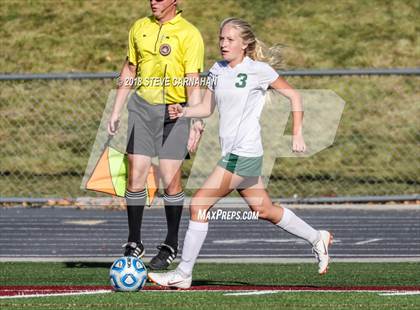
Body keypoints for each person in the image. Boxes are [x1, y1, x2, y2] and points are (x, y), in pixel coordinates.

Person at [148, 18, 332, 288]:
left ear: (245, 44)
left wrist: (297, 133)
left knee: (198, 204)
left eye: (230, 39)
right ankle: (317, 237)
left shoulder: (259, 70)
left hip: (243, 154)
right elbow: (207, 108)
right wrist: (185, 111)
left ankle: (183, 273)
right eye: (221, 38)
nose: (223, 44)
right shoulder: (217, 69)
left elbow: (294, 96)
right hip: (237, 154)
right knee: (265, 210)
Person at [107, 0, 205, 270]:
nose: (153, 1)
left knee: (169, 180)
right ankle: (134, 242)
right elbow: (130, 68)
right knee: (136, 173)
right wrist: (116, 110)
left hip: (174, 113)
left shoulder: (189, 33)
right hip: (141, 110)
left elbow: (192, 80)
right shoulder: (139, 27)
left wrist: (195, 119)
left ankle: (171, 243)